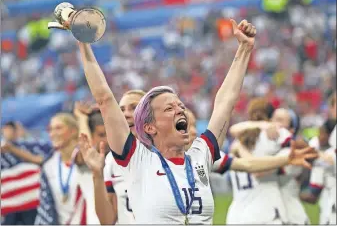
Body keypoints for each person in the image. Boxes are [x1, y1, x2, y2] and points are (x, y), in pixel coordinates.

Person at [74, 17, 317, 224]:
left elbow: (225, 103)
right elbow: (105, 98)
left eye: (180, 104)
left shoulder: (200, 155)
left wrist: (244, 50)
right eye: (169, 108)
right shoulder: (137, 158)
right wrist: (83, 41)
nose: (180, 108)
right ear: (150, 126)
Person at [2, 113, 87, 224]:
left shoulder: (84, 159)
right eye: (50, 129)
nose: (52, 134)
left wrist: (82, 118)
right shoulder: (49, 164)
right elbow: (37, 159)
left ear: (73, 131)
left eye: (58, 128)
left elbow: (86, 148)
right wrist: (11, 149)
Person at [76, 90, 145, 224]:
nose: (125, 114)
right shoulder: (111, 161)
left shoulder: (167, 155)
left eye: (134, 107)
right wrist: (97, 174)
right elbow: (108, 221)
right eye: (121, 110)